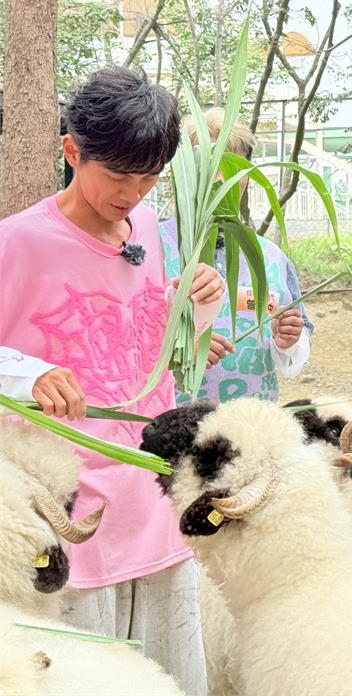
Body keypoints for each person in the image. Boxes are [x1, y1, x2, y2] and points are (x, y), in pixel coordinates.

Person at [0, 67, 227, 695]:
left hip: (153, 506)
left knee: (167, 680)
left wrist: (194, 310)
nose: (135, 193)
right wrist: (31, 371)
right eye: (119, 176)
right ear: (72, 152)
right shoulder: (17, 244)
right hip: (70, 524)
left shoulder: (151, 232)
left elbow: (146, 341)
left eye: (151, 177)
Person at [160, 108, 314, 404]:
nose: (220, 179)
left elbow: (295, 326)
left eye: (232, 168)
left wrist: (288, 341)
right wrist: (178, 351)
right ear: (183, 174)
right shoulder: (149, 247)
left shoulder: (268, 257)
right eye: (207, 165)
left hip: (252, 433)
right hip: (171, 433)